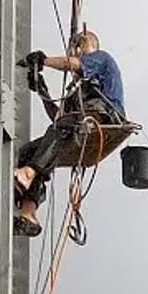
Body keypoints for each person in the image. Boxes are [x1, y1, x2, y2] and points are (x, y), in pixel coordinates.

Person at [13, 30, 126, 236]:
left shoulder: (101, 59)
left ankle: (28, 173)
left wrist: (44, 61)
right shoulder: (78, 93)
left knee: (63, 127)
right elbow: (57, 119)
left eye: (75, 50)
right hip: (79, 127)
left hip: (103, 119)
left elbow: (75, 64)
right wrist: (42, 89)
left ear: (82, 45)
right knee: (28, 151)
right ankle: (29, 215)